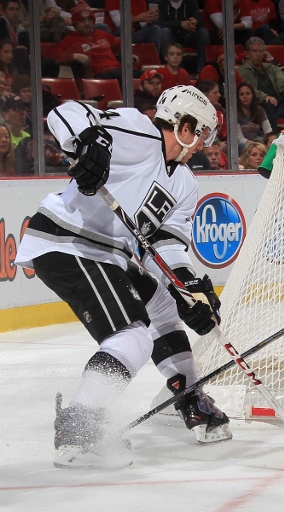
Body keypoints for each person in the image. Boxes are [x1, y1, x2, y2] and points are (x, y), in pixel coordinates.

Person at [15, 86, 233, 469]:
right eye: (201, 132)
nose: (203, 143)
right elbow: (64, 114)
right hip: (69, 241)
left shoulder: (185, 183)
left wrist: (190, 287)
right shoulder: (138, 131)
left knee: (166, 307)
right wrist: (89, 142)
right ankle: (79, 426)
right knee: (132, 335)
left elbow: (167, 243)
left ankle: (189, 398)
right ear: (184, 126)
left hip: (109, 254)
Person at [54, 6, 140, 80]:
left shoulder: (101, 34)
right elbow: (56, 57)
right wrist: (75, 56)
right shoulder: (70, 39)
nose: (87, 23)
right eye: (82, 21)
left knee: (149, 75)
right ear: (75, 23)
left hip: (117, 70)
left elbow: (120, 44)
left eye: (89, 20)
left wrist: (129, 55)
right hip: (98, 75)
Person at [239, 37, 284, 130]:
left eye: (261, 51)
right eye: (254, 51)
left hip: (278, 105)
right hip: (260, 105)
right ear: (248, 53)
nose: (258, 54)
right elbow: (248, 90)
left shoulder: (271, 68)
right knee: (268, 104)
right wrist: (264, 97)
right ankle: (272, 137)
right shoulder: (242, 71)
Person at [157, 0, 209, 72]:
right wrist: (180, 24)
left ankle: (202, 70)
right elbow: (160, 23)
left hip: (188, 36)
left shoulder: (191, 2)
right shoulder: (163, 3)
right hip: (171, 37)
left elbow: (199, 20)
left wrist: (195, 22)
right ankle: (169, 70)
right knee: (164, 31)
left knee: (203, 32)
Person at [237, 82, 272, 146]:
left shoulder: (259, 110)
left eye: (248, 94)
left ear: (253, 95)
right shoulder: (235, 113)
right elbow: (239, 138)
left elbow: (268, 131)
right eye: (241, 94)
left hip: (259, 142)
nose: (245, 96)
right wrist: (255, 145)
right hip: (243, 144)